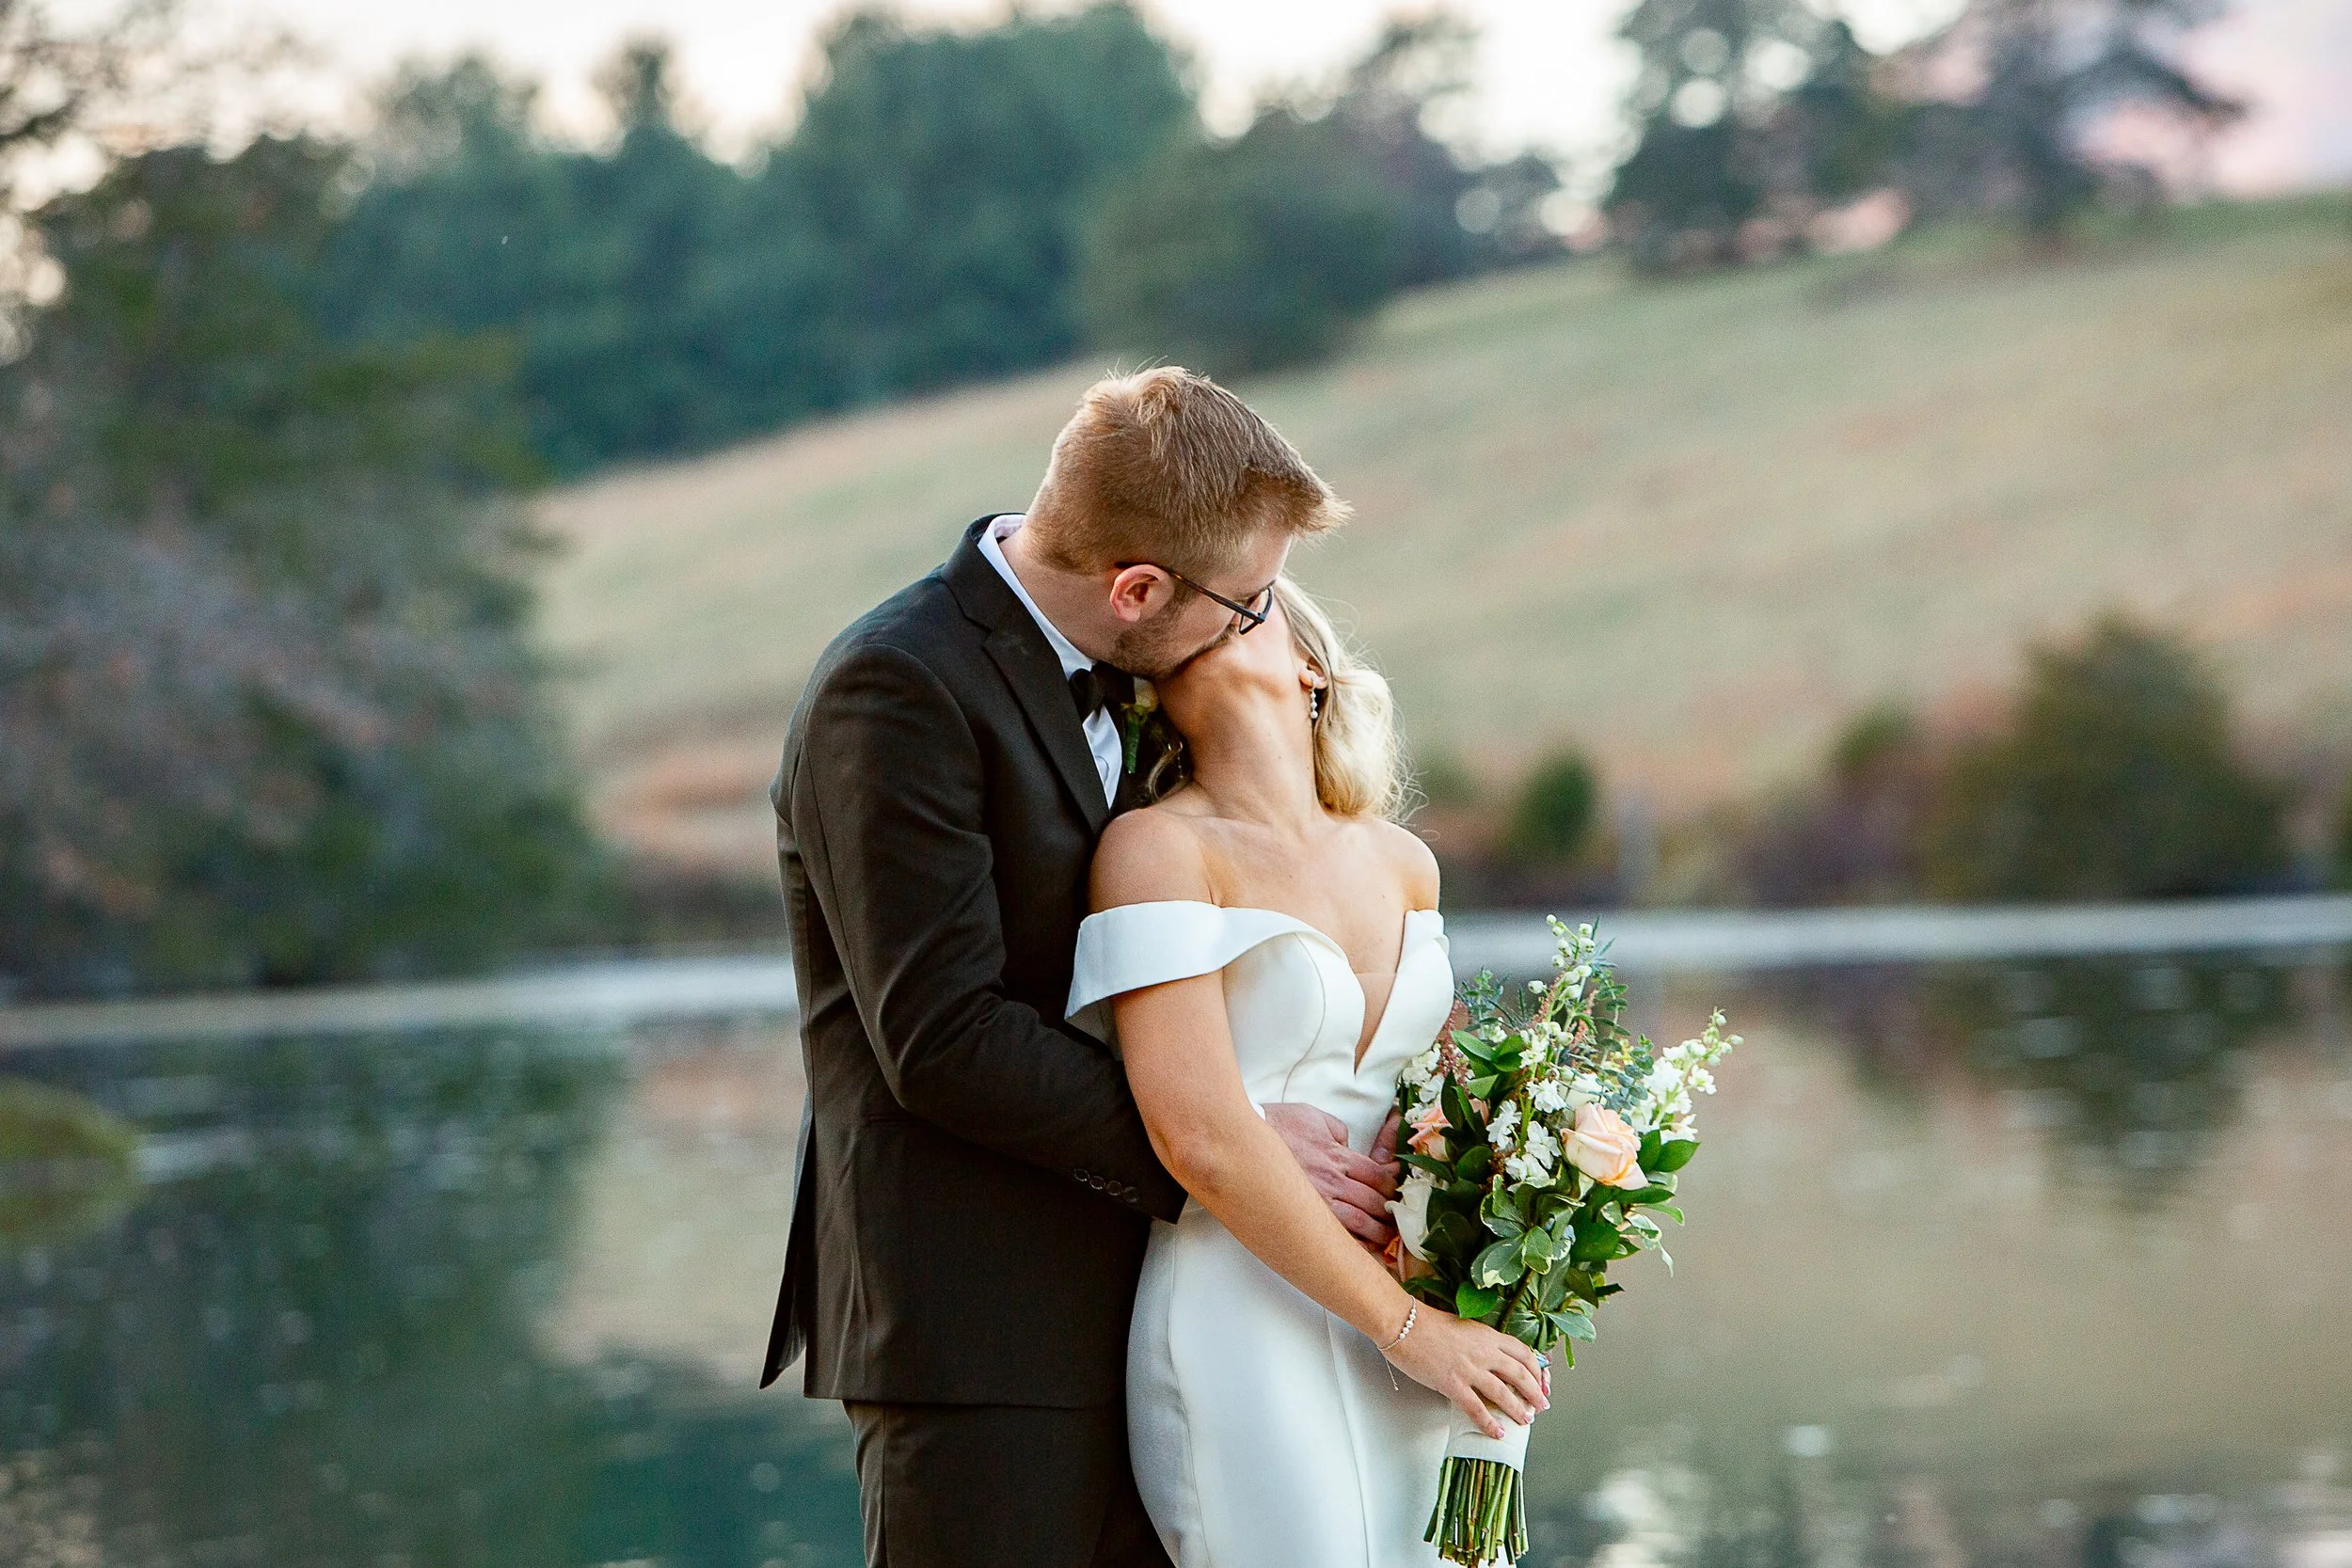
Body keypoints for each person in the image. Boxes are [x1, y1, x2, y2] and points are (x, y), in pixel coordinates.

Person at [762, 368, 1416, 1568]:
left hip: (1172, 1319)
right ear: (1136, 588)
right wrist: (1222, 1143)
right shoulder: (896, 685)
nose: (1259, 625)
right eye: (1249, 599)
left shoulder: (1137, 691)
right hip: (979, 1324)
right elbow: (942, 1037)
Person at [1066, 578, 1549, 1568]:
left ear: (1310, 668)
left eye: (1250, 597)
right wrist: (1406, 1328)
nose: (1219, 598)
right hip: (1244, 1308)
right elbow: (1193, 1135)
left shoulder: (1405, 860)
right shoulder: (1155, 848)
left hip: (1417, 1314)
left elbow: (1447, 1103)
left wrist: (1531, 1227)